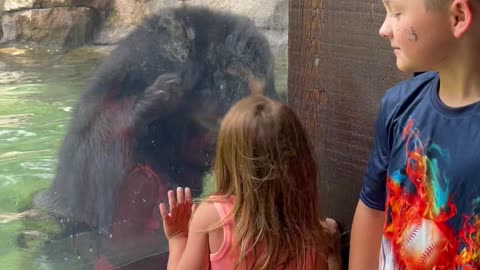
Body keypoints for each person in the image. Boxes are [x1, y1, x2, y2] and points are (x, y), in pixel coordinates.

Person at [349, 0, 480, 269]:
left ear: (457, 17)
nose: (383, 29)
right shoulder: (398, 106)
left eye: (396, 13)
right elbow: (372, 209)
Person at [159, 95, 341, 270]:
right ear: (302, 161)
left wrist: (178, 238)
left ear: (228, 159)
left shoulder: (213, 218)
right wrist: (333, 255)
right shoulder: (313, 236)